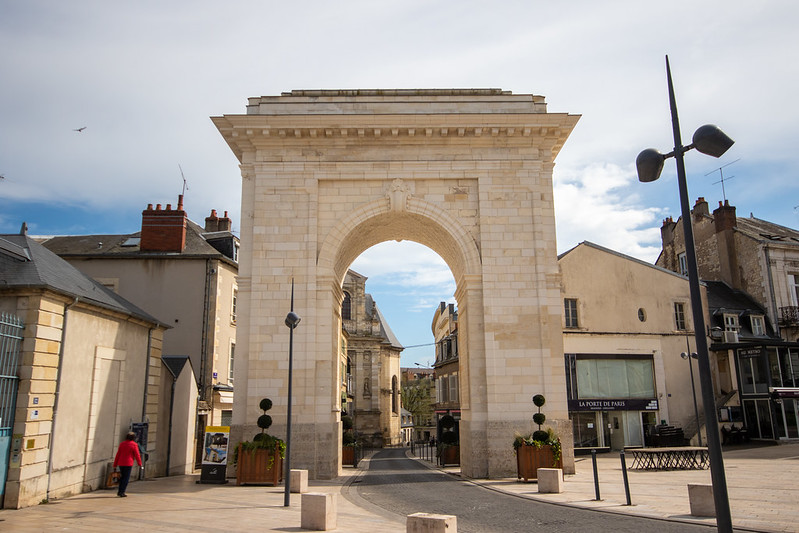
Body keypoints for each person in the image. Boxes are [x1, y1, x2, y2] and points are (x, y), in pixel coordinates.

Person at [113, 432, 142, 497]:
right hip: (128, 463)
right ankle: (122, 492)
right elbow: (137, 455)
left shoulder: (122, 444)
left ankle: (120, 491)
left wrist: (115, 464)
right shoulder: (134, 445)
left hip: (121, 463)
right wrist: (140, 464)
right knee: (126, 478)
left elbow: (118, 454)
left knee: (122, 477)